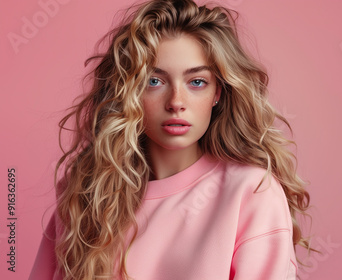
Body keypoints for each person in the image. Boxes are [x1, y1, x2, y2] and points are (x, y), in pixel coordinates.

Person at [29, 0, 312, 279]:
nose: (176, 102)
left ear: (218, 92)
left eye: (197, 82)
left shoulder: (251, 191)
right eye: (154, 81)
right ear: (129, 92)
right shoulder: (88, 194)